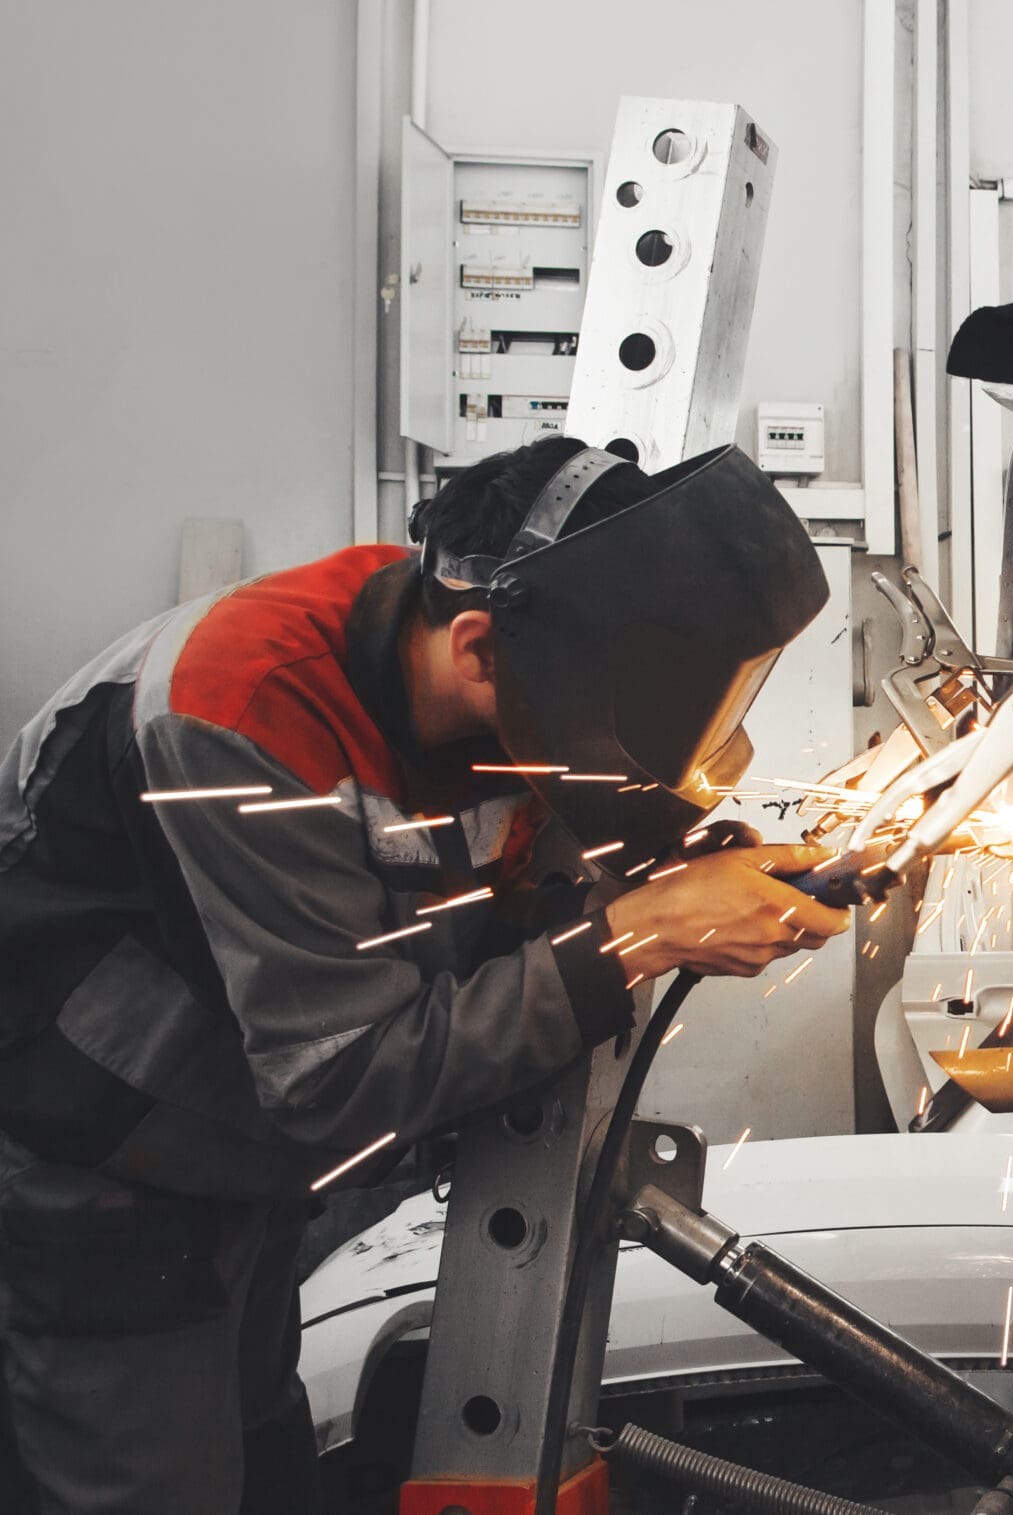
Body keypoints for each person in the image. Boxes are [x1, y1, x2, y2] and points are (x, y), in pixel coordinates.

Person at [0, 436, 850, 1512]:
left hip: (235, 1168)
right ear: (483, 650)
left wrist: (678, 867)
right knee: (150, 1489)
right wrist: (639, 937)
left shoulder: (492, 674)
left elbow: (498, 871)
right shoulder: (242, 716)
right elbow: (343, 1081)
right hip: (108, 1172)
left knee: (264, 1471)